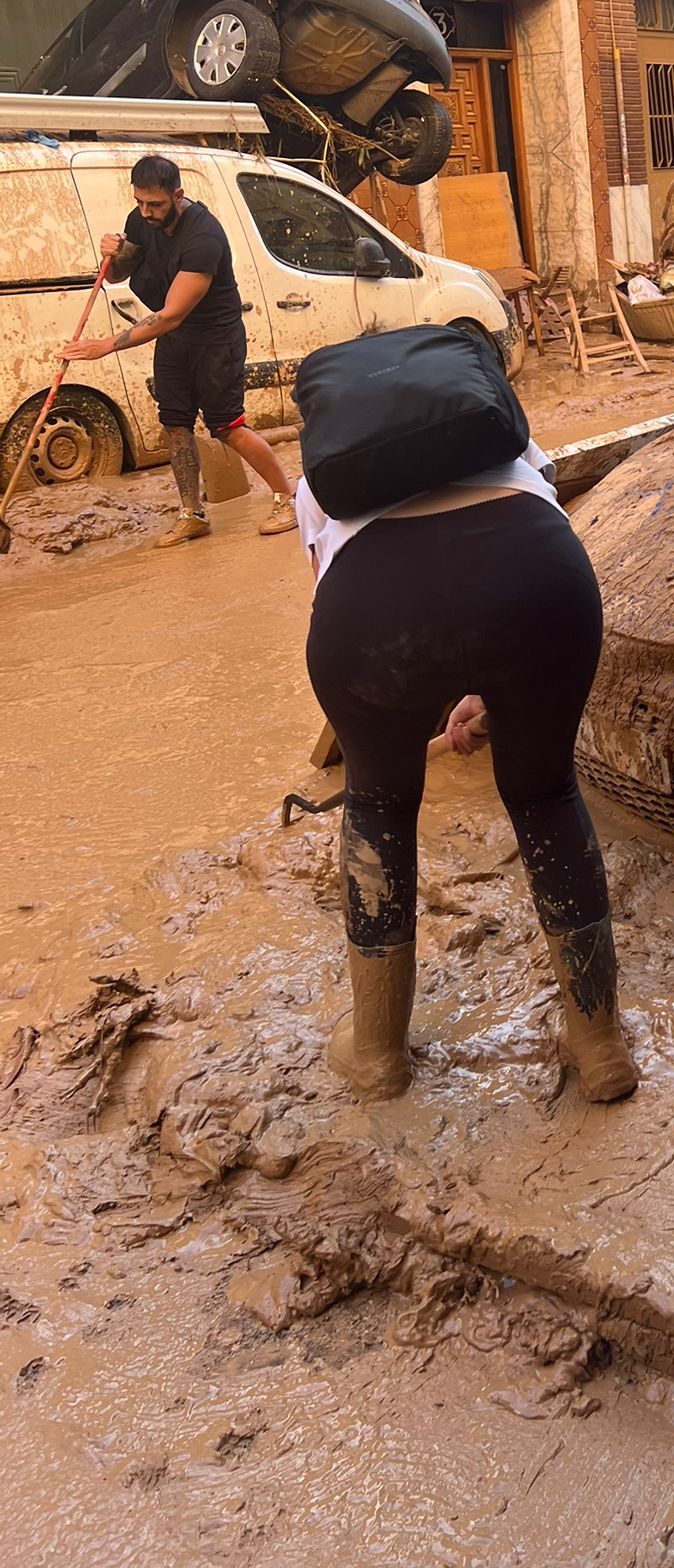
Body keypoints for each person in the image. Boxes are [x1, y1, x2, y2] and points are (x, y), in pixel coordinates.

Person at [296, 419, 638, 1107]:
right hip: (540, 577)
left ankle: (377, 1058)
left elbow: (335, 589)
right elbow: (520, 547)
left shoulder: (321, 474)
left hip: (369, 609)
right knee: (544, 792)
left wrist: (408, 701)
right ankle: (600, 1045)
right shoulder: (500, 436)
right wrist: (489, 685)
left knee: (381, 805)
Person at [60, 154, 295, 545]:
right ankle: (192, 514)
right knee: (175, 425)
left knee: (227, 427)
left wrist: (106, 346)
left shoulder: (204, 237)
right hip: (175, 341)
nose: (146, 212)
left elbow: (170, 315)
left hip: (214, 339)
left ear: (178, 194)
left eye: (156, 204)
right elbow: (119, 274)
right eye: (140, 202)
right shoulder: (140, 221)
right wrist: (112, 253)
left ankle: (287, 498)